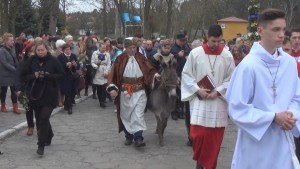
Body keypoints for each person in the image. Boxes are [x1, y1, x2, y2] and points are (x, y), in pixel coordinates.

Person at [226, 8, 300, 168]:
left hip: (283, 140)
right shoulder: (248, 66)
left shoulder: (289, 63)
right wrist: (273, 117)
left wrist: (291, 115)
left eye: (283, 29)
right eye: (276, 29)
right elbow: (237, 108)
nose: (282, 34)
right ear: (260, 30)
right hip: (256, 145)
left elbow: (296, 97)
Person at [181, 25, 235, 169]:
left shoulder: (227, 56)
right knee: (197, 136)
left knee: (214, 140)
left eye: (219, 41)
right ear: (207, 39)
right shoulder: (195, 53)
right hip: (200, 101)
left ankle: (208, 165)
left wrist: (217, 92)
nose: (216, 44)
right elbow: (186, 74)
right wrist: (197, 90)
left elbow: (232, 79)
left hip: (218, 102)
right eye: (213, 41)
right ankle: (200, 162)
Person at [107, 39, 157, 147]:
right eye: (130, 48)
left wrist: (155, 75)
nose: (133, 49)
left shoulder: (141, 58)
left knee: (138, 115)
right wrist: (112, 88)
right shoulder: (120, 59)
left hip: (140, 92)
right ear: (126, 48)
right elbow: (113, 74)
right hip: (125, 93)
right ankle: (128, 137)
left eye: (134, 47)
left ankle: (138, 138)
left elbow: (149, 69)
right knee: (126, 116)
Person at [21, 41, 65, 156]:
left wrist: (49, 76)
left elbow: (61, 74)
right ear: (35, 51)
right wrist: (33, 76)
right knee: (41, 118)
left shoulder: (53, 60)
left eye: (42, 50)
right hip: (36, 94)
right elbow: (23, 75)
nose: (40, 52)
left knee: (43, 118)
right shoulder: (31, 60)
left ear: (47, 50)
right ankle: (49, 135)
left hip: (50, 94)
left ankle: (40, 145)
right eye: (38, 50)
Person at [171, 33, 191, 120]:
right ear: (176, 40)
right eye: (181, 41)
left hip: (184, 73)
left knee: (182, 93)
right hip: (175, 72)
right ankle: (174, 112)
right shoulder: (172, 48)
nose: (182, 42)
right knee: (174, 94)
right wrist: (177, 55)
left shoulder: (186, 47)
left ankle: (181, 111)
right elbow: (169, 57)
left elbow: (189, 54)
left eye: (184, 41)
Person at [0, 33, 20, 114]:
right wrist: (14, 69)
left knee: (14, 91)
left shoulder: (13, 48)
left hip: (13, 74)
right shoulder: (1, 51)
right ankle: (3, 106)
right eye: (11, 40)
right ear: (5, 41)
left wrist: (18, 67)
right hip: (4, 74)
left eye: (13, 40)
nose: (13, 42)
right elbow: (4, 63)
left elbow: (15, 59)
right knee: (3, 91)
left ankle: (15, 107)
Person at [57, 44, 79, 115]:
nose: (68, 51)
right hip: (65, 77)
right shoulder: (60, 57)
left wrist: (75, 65)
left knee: (72, 91)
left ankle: (66, 106)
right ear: (63, 50)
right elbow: (59, 67)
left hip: (73, 77)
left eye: (69, 49)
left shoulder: (73, 56)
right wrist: (66, 65)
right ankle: (69, 107)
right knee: (67, 91)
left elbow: (77, 67)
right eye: (66, 49)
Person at [91, 43, 111, 108]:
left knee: (104, 87)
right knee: (99, 88)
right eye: (102, 48)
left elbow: (109, 64)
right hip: (97, 72)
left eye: (105, 48)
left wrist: (106, 71)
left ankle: (103, 100)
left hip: (104, 72)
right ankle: (100, 101)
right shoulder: (95, 53)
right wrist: (95, 66)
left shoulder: (107, 54)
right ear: (99, 48)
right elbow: (92, 62)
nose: (103, 49)